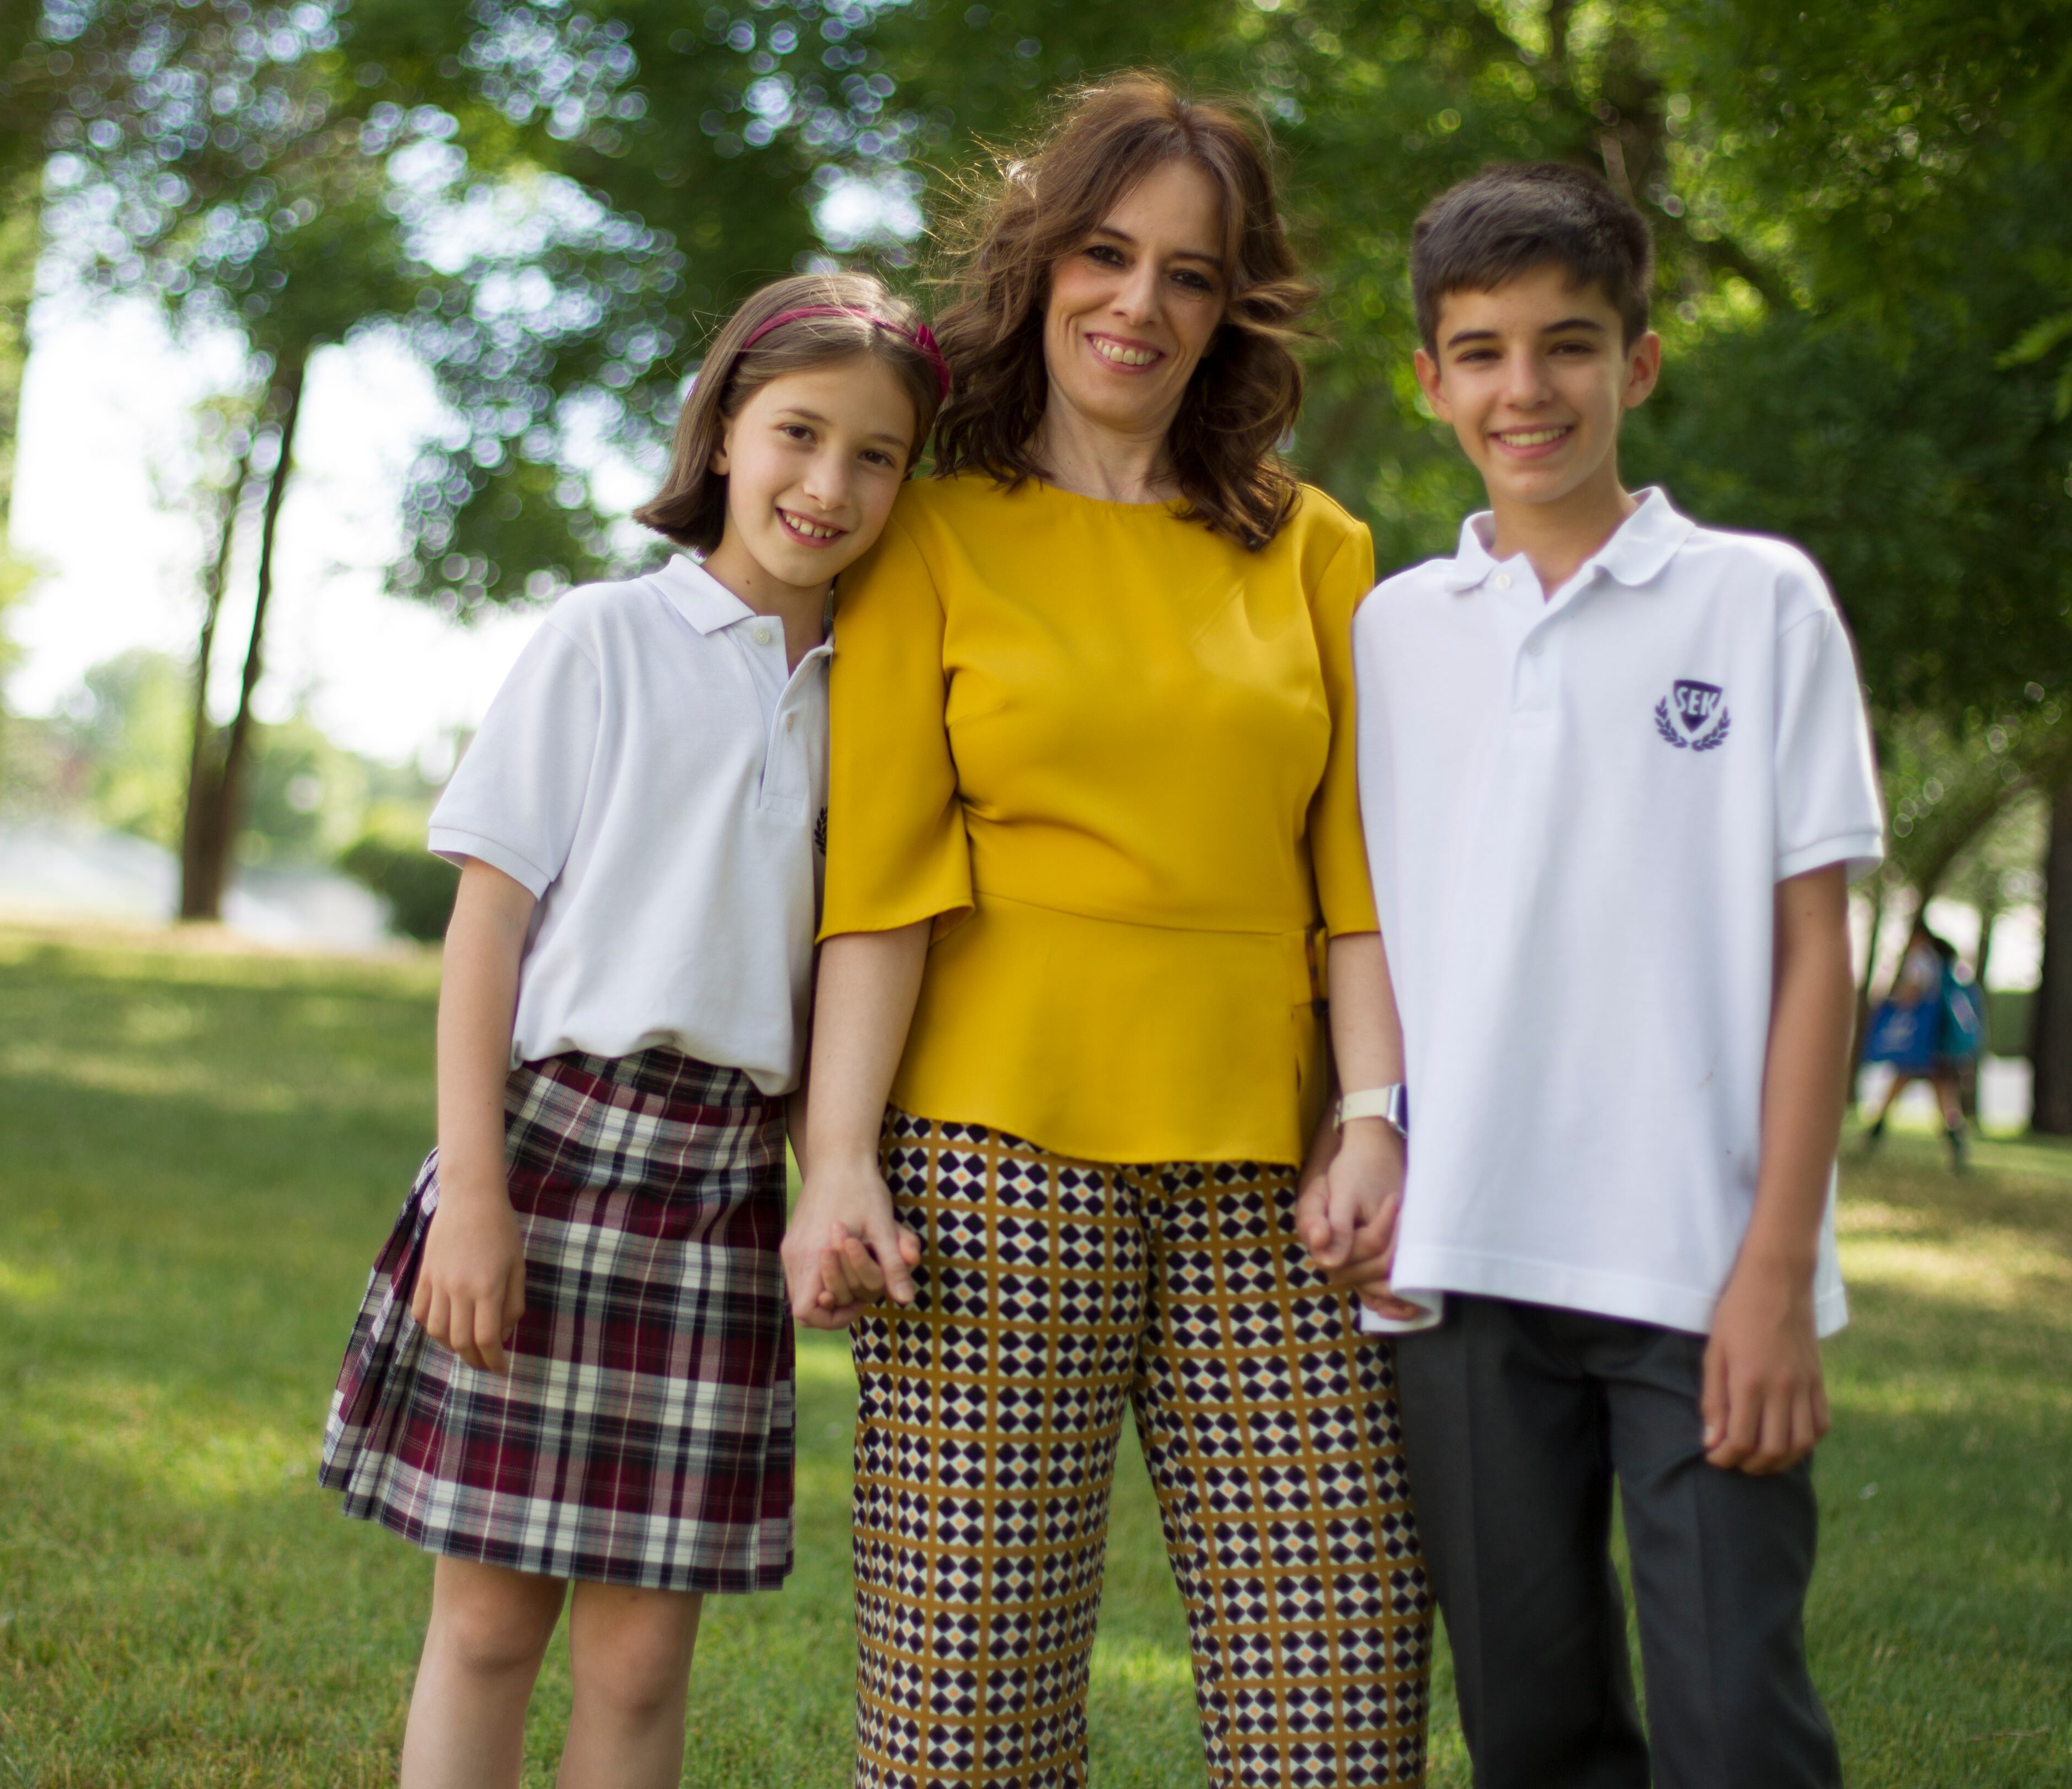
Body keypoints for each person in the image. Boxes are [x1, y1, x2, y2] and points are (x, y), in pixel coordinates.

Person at [784, 76, 1431, 1789]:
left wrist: (1376, 1118)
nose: (1140, 303)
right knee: (962, 1734)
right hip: (989, 1177)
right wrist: (837, 1157)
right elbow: (884, 881)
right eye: (1107, 253)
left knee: (1339, 1706)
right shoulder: (926, 527)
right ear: (1042, 263)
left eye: (1191, 274)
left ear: (1234, 311)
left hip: (1277, 1183)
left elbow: (1360, 877)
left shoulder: (1322, 552)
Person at [317, 270, 947, 1789]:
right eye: (799, 431)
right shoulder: (604, 637)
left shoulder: (885, 696)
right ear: (727, 428)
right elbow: (488, 929)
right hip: (545, 1160)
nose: (829, 482)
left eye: (877, 454)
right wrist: (474, 1195)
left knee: (644, 1657)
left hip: (718, 1193)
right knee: (483, 1627)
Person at [1315, 162, 1885, 1788]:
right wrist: (1366, 1120)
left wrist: (1777, 1269)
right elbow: (1365, 919)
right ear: (1429, 379)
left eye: (1568, 345)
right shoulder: (1391, 631)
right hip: (1466, 1259)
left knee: (1733, 1722)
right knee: (1533, 1725)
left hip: (1700, 1263)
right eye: (1482, 350)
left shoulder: (1759, 600)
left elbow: (1810, 952)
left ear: (1638, 360)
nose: (1526, 388)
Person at [1862, 927, 1982, 1170]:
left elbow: (1912, 992)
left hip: (1922, 1040)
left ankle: (1874, 1136)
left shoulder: (1921, 959)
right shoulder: (1951, 965)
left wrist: (1889, 1001)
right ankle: (1957, 1147)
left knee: (1898, 1085)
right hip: (1944, 1043)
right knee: (1945, 1096)